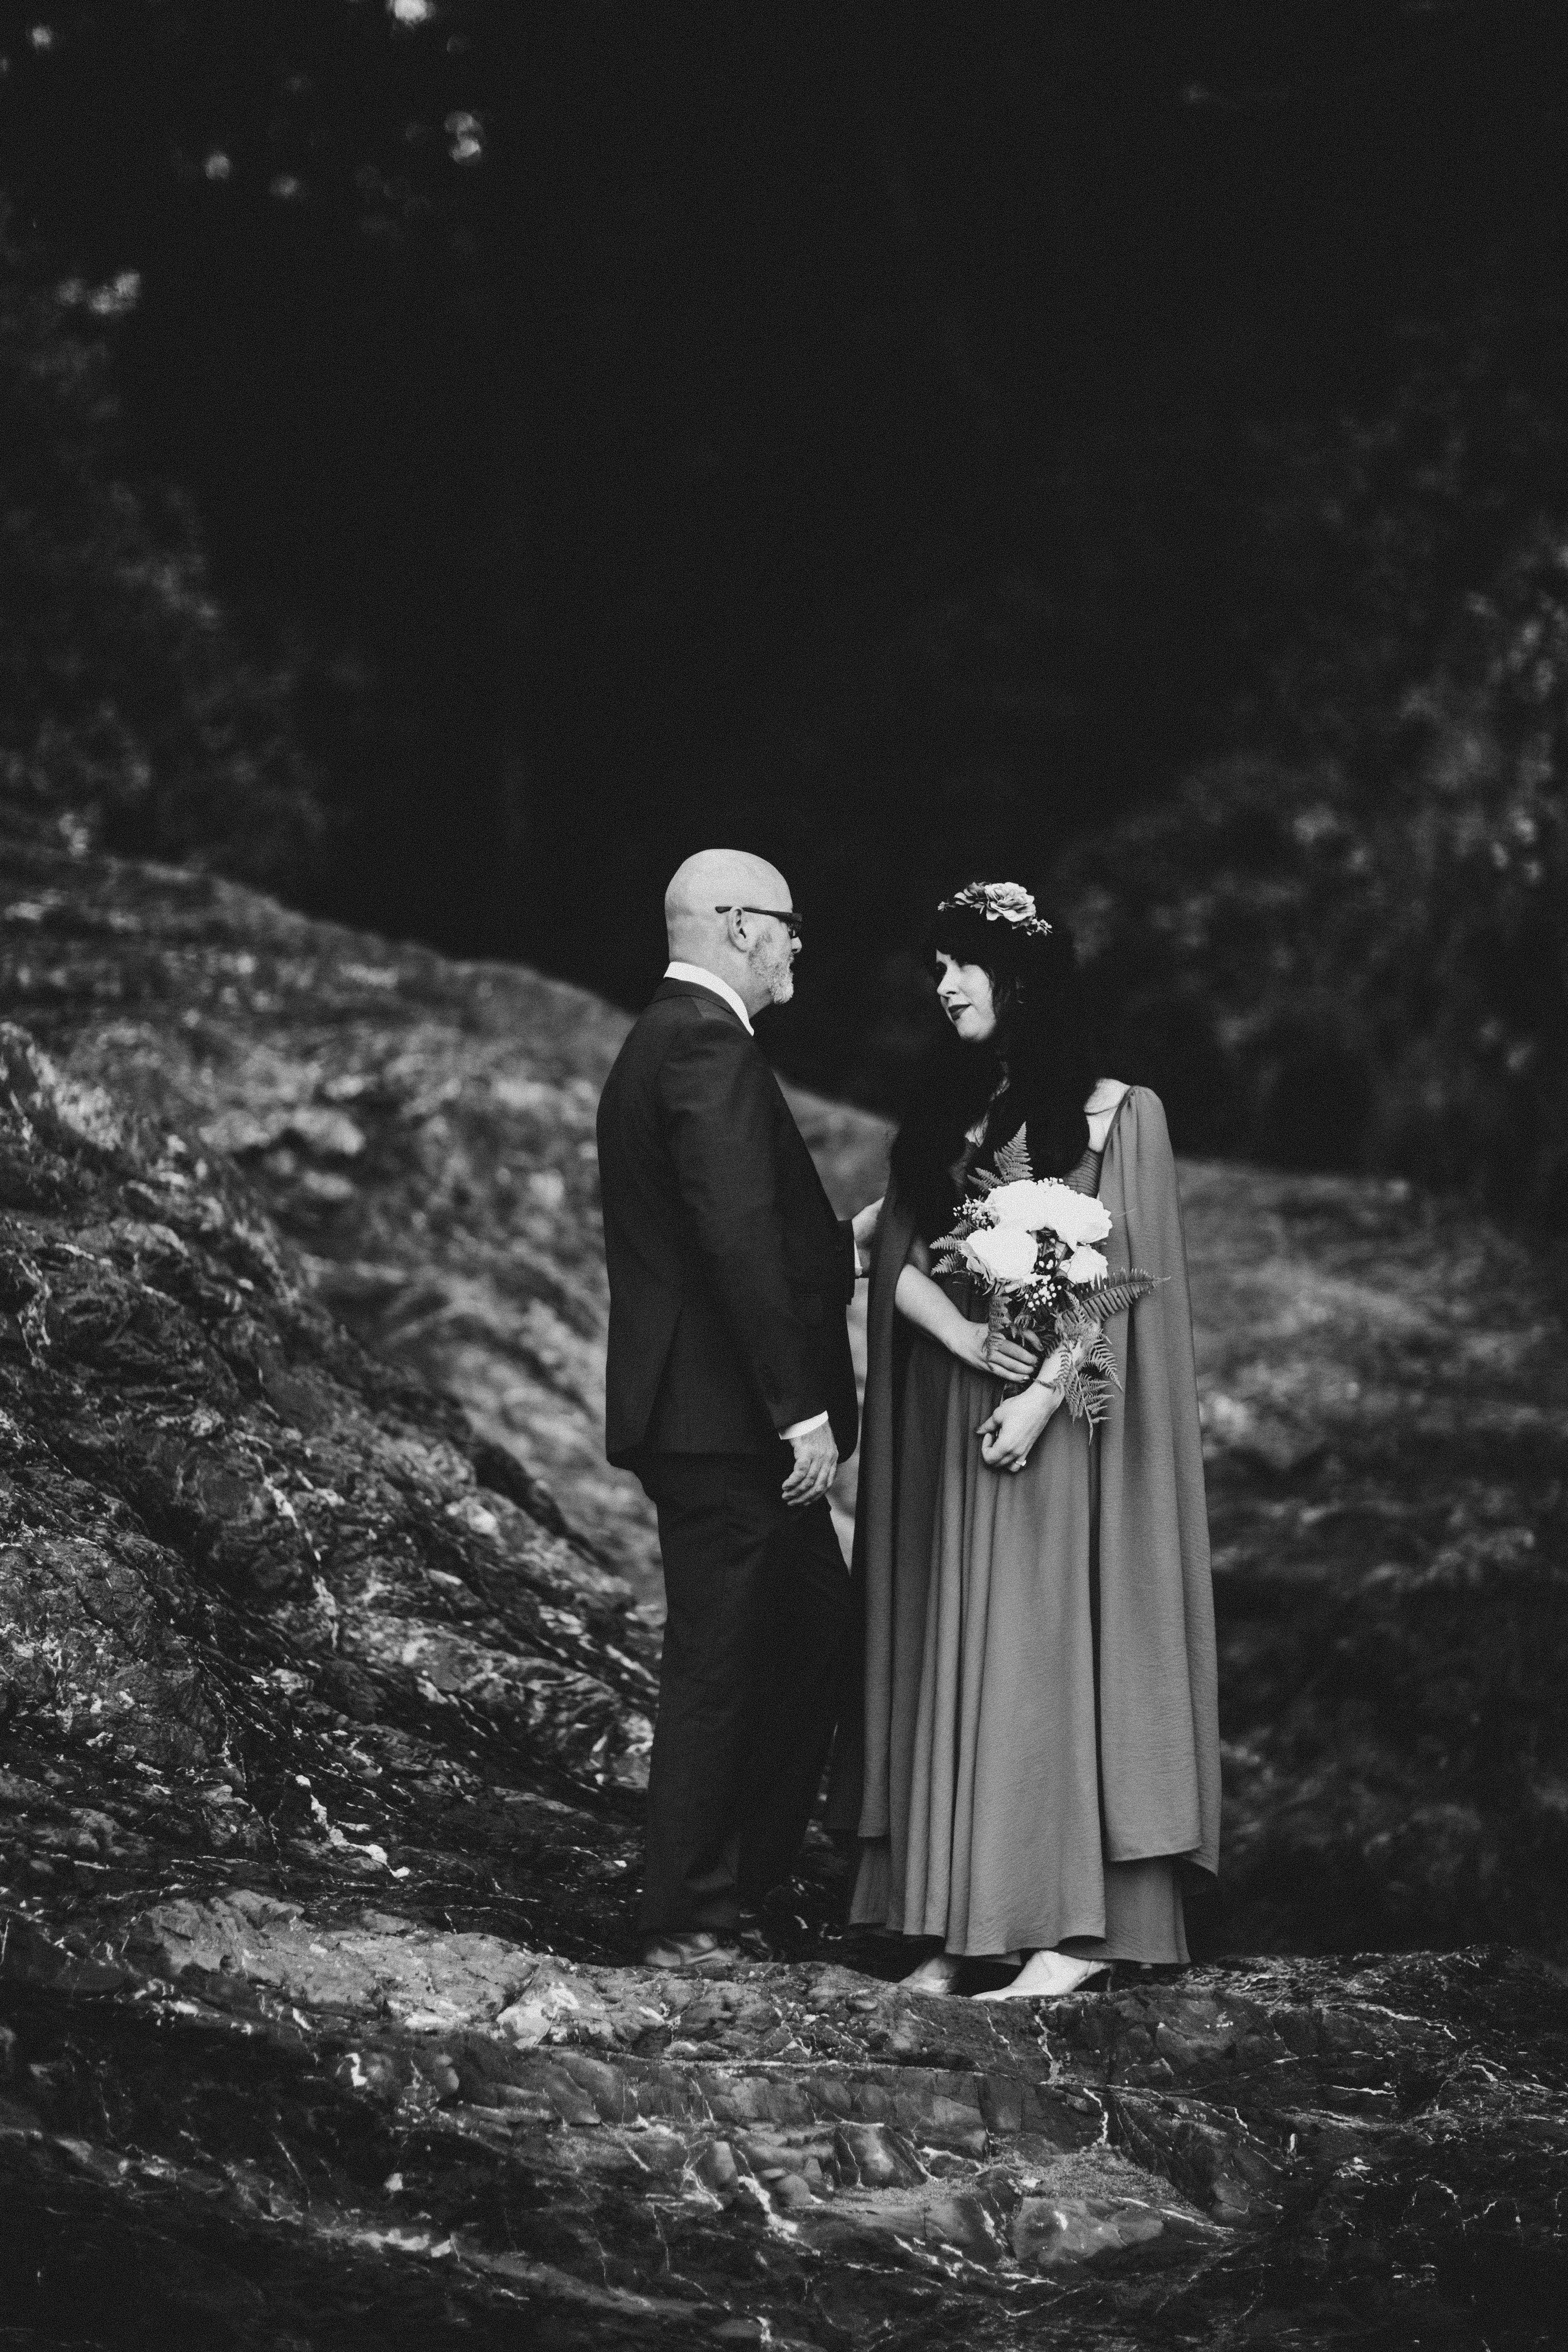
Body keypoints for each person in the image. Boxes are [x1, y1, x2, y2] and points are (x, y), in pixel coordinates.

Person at [831, 880, 1219, 1998]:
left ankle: (1071, 1931)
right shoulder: (953, 1115)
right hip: (964, 1416)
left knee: (1047, 1654)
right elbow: (886, 1252)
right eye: (936, 968)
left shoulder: (1118, 1114)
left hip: (1062, 1426)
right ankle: (968, 1924)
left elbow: (1125, 1282)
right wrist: (961, 1335)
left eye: (961, 965)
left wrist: (1048, 1392)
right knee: (969, 1645)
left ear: (1024, 981)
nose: (942, 986)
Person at [596, 848, 881, 1970]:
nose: (801, 942)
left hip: (720, 1419)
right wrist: (797, 1410)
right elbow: (729, 1241)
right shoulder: (706, 1044)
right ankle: (687, 1912)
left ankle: (745, 1882)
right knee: (722, 1657)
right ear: (735, 924)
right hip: (729, 1426)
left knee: (819, 1627)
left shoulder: (674, 1042)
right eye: (789, 922)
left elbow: (755, 1232)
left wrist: (854, 1244)